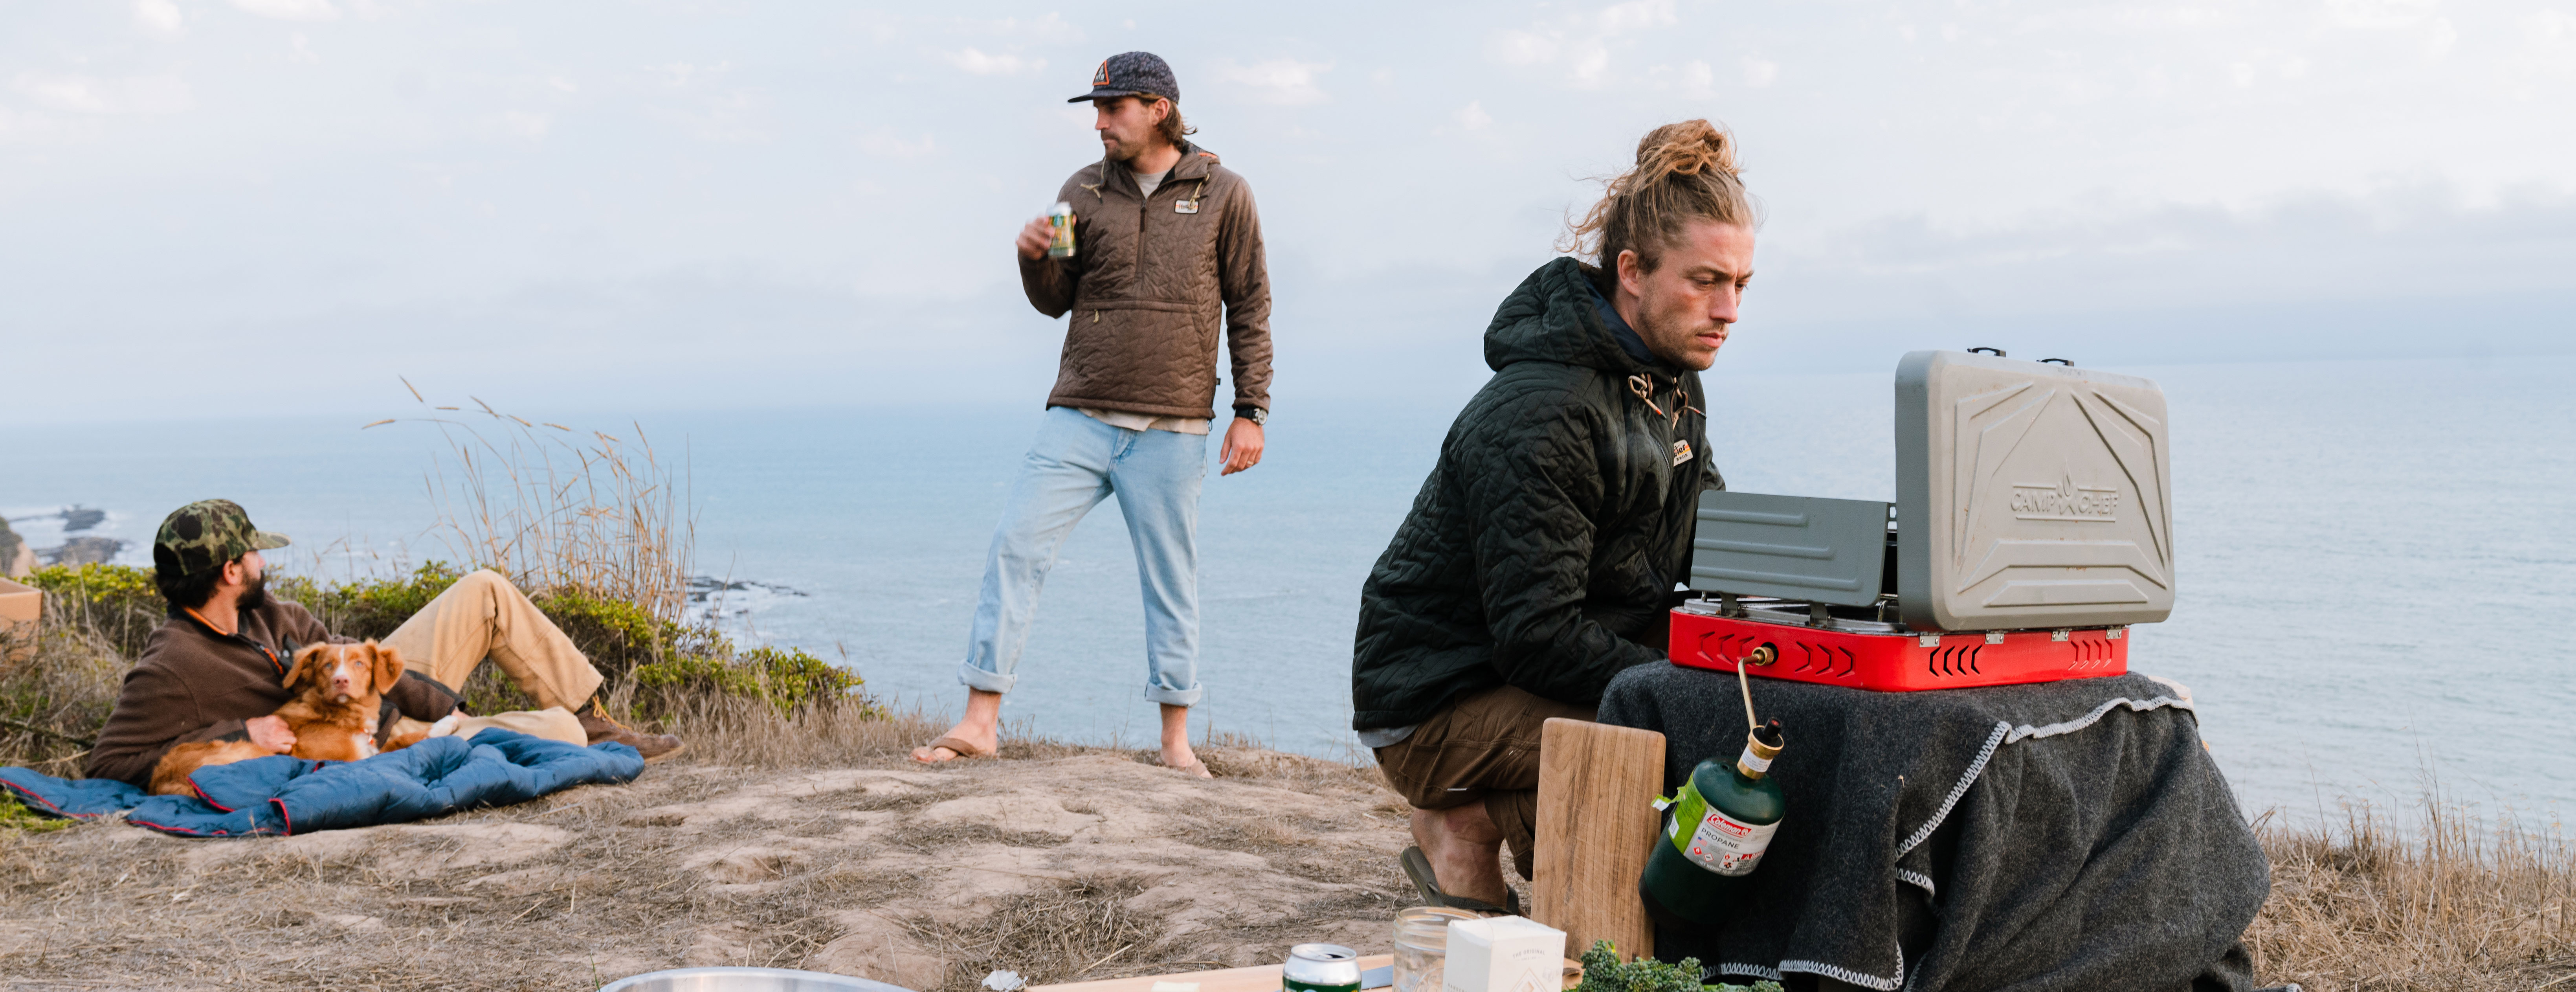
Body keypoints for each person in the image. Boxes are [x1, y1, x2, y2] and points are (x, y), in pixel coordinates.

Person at [1350, 121, 1752, 910]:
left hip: (1532, 670)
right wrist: (1682, 680)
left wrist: (1817, 615)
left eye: (1741, 283)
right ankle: (1479, 843)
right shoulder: (1545, 412)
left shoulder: (1667, 381)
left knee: (1737, 709)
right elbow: (1537, 636)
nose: (1728, 308)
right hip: (1436, 699)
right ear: (1631, 271)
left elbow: (1717, 535)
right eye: (1705, 280)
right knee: (1659, 735)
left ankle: (1492, 836)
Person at [910, 51, 1273, 776]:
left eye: (1114, 109)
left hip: (1173, 425)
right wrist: (1034, 258)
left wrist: (1251, 410)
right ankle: (980, 722)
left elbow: (1251, 304)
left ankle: (1175, 743)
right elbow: (1055, 299)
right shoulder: (1080, 190)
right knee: (1016, 547)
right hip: (1077, 413)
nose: (1101, 123)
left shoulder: (1226, 194)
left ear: (1159, 110)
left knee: (1172, 579)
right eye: (1097, 110)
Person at [84, 500, 682, 787]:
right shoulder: (173, 664)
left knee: (485, 590)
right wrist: (240, 733)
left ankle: (595, 719)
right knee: (558, 735)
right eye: (254, 553)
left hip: (373, 695)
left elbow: (349, 653)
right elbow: (107, 766)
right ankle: (564, 729)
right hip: (356, 736)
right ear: (230, 572)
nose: (264, 560)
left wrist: (445, 708)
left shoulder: (268, 612)